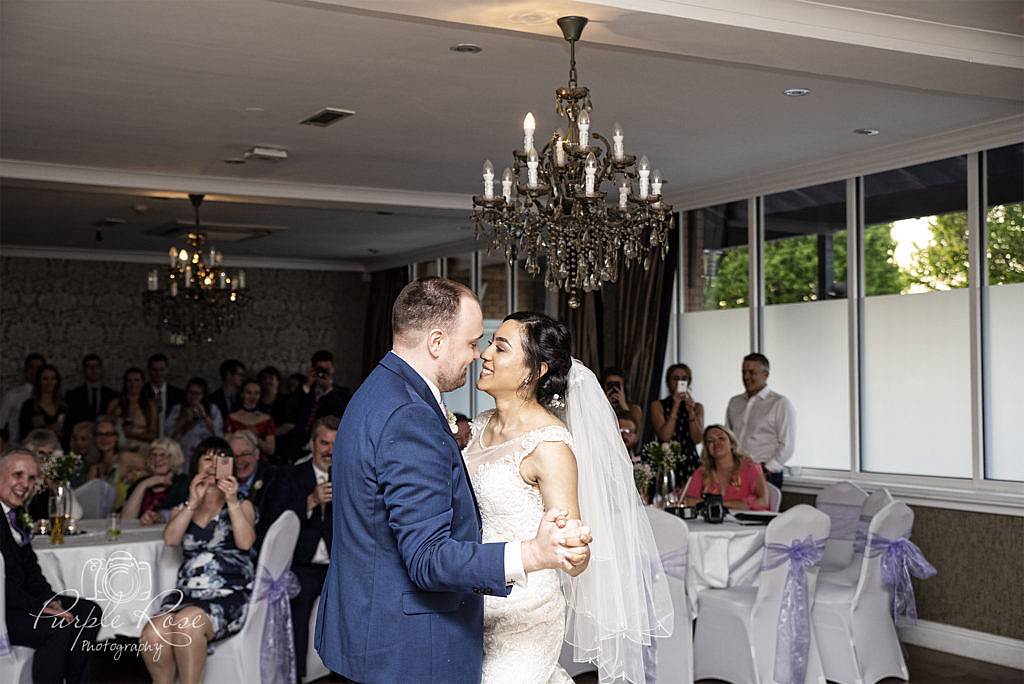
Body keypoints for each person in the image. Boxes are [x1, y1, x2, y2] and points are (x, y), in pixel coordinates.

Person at [315, 278, 592, 684]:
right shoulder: (409, 415)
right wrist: (530, 555)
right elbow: (427, 557)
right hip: (408, 637)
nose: (478, 354)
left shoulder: (379, 390)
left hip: (429, 619)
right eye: (473, 342)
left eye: (495, 345)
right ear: (437, 342)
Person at [469, 311, 672, 683]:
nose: (485, 354)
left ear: (535, 371)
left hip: (523, 615)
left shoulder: (549, 446)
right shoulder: (479, 425)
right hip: (468, 601)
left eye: (501, 347)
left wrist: (574, 549)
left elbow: (574, 557)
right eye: (489, 344)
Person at [140, 437, 256, 684]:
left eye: (220, 459)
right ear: (196, 466)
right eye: (207, 459)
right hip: (188, 594)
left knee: (187, 623)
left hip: (228, 592)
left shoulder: (242, 504)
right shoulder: (183, 507)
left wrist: (232, 500)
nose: (213, 465)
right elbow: (170, 539)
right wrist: (193, 501)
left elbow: (246, 543)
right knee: (153, 632)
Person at [1, 448, 104, 683]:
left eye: (31, 478)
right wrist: (39, 607)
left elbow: (31, 570)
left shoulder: (15, 516)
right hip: (3, 609)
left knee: (89, 612)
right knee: (58, 626)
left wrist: (49, 599)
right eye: (18, 475)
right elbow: (2, 584)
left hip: (19, 602)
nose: (25, 484)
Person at [263, 416, 338, 681]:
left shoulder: (348, 475)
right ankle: (298, 677)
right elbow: (275, 519)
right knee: (299, 605)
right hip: (302, 564)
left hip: (337, 566)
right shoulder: (291, 476)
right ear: (312, 443)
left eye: (334, 445)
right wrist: (310, 500)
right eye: (324, 443)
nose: (329, 450)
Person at [725, 353, 796, 489]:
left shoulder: (780, 403)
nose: (746, 377)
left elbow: (787, 445)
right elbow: (728, 438)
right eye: (743, 372)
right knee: (733, 509)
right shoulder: (735, 402)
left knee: (759, 510)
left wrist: (765, 470)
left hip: (765, 473)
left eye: (752, 372)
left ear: (765, 375)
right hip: (735, 472)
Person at [283, 350, 350, 462]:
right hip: (298, 445)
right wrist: (307, 384)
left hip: (326, 446)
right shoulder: (303, 389)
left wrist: (328, 389)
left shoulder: (342, 393)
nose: (323, 373)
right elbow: (289, 410)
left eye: (327, 370)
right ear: (313, 369)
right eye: (320, 370)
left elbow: (343, 415)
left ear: (333, 369)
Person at [683, 424, 769, 511]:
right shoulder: (702, 471)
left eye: (721, 438)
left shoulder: (750, 468)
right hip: (711, 524)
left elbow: (764, 502)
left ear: (731, 443)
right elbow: (687, 501)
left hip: (746, 523)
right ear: (707, 449)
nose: (716, 443)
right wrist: (737, 504)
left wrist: (718, 503)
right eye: (710, 441)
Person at [650, 363, 704, 488]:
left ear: (688, 382)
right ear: (669, 382)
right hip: (667, 459)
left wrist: (690, 411)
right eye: (675, 378)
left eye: (684, 379)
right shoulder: (658, 405)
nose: (680, 382)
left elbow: (697, 438)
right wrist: (675, 406)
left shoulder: (697, 407)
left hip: (690, 459)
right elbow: (665, 437)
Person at [122, 438, 190, 524]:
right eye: (153, 455)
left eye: (163, 455)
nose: (157, 459)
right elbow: (126, 519)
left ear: (174, 459)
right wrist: (143, 485)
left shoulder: (183, 483)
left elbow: (183, 516)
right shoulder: (140, 482)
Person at [168, 377, 224, 469]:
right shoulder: (177, 409)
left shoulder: (213, 409)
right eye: (190, 393)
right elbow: (169, 435)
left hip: (206, 453)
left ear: (203, 395)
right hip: (183, 454)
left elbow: (218, 434)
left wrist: (205, 416)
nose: (193, 397)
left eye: (197, 394)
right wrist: (184, 418)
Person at [227, 430, 277, 530]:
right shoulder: (221, 481)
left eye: (245, 454)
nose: (239, 461)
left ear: (257, 454)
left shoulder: (274, 479)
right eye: (233, 456)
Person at [64, 354, 119, 443]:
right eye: (89, 366)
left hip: (105, 439)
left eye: (96, 366)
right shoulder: (73, 395)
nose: (93, 369)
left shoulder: (113, 395)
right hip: (82, 440)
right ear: (84, 370)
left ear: (101, 369)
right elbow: (69, 423)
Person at [224, 379, 275, 460]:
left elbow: (271, 450)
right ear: (242, 394)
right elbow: (226, 446)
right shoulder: (232, 418)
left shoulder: (267, 419)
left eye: (256, 393)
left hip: (260, 462)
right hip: (237, 460)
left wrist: (254, 436)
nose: (252, 397)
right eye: (249, 393)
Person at [0, 352, 45, 444]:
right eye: (31, 367)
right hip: (16, 447)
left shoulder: (51, 396)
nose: (35, 371)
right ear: (25, 370)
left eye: (39, 368)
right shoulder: (12, 395)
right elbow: (1, 424)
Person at [107, 367, 158, 443]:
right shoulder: (115, 403)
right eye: (129, 381)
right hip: (118, 444)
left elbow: (153, 435)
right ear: (125, 383)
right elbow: (105, 427)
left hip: (142, 447)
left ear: (143, 383)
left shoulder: (150, 405)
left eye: (137, 380)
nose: (133, 384)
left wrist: (130, 434)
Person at [18, 363, 68, 441]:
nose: (49, 382)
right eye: (45, 379)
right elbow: (24, 435)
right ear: (39, 381)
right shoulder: (29, 406)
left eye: (53, 378)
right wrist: (48, 430)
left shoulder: (65, 406)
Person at [147, 353, 185, 438]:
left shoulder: (179, 395)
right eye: (154, 370)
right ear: (149, 370)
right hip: (147, 441)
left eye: (162, 369)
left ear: (167, 370)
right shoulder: (142, 392)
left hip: (171, 441)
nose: (158, 373)